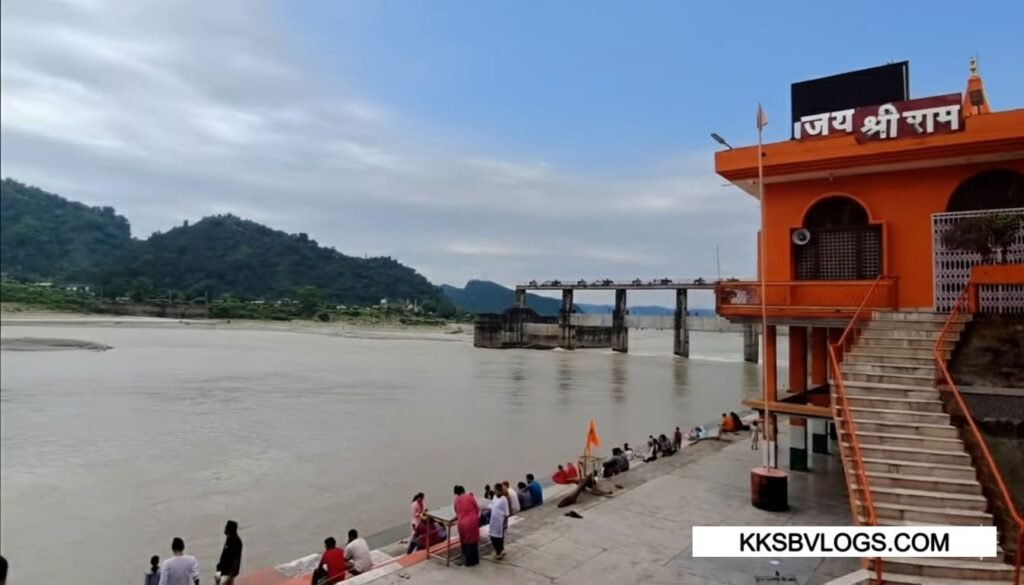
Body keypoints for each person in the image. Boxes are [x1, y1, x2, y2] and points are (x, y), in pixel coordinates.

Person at [453, 485, 481, 567]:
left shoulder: (456, 500)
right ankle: (473, 561)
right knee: (473, 543)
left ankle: (465, 559)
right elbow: (477, 509)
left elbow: (456, 511)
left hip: (462, 523)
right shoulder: (470, 497)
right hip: (472, 522)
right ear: (463, 490)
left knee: (464, 542)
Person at [215, 520, 242, 585]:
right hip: (223, 570)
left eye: (226, 528)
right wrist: (219, 567)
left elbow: (236, 560)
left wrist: (230, 575)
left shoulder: (237, 542)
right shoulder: (229, 538)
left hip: (229, 572)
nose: (225, 529)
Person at [488, 483, 509, 560]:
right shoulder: (494, 497)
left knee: (499, 537)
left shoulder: (504, 499)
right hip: (493, 521)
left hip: (500, 521)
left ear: (499, 491)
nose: (495, 491)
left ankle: (499, 552)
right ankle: (500, 550)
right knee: (492, 536)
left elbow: (506, 513)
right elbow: (491, 506)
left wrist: (505, 523)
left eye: (496, 490)